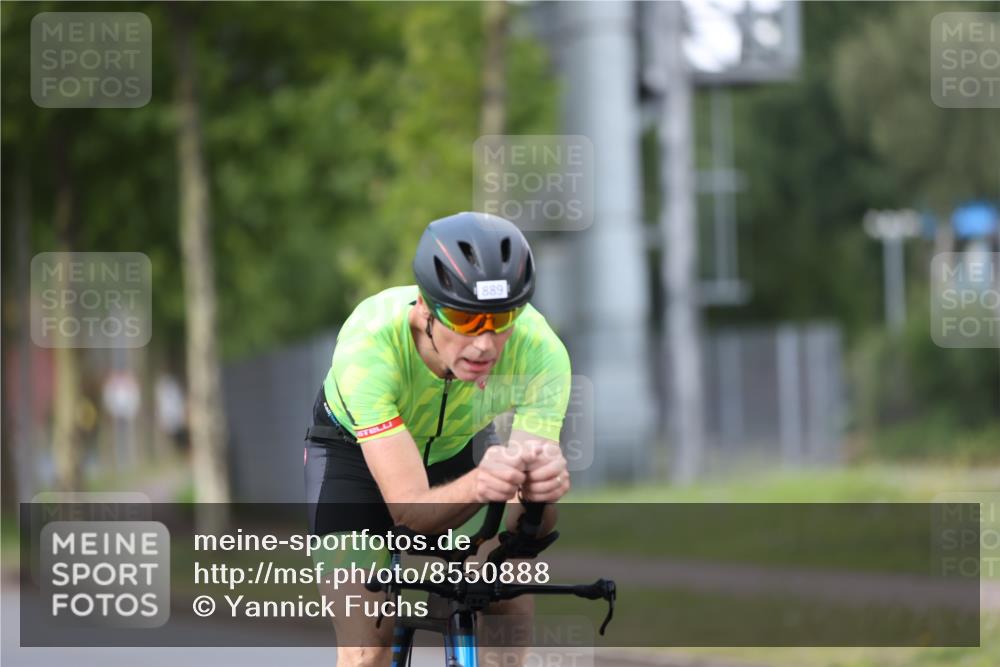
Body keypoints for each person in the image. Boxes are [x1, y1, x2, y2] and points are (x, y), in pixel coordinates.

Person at [304, 211, 572, 667]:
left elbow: (525, 533)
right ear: (425, 309)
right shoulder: (370, 345)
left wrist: (539, 497)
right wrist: (483, 483)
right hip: (354, 460)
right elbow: (410, 512)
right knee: (367, 645)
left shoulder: (540, 352)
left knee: (507, 592)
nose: (485, 343)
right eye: (466, 320)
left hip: (456, 449)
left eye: (502, 318)